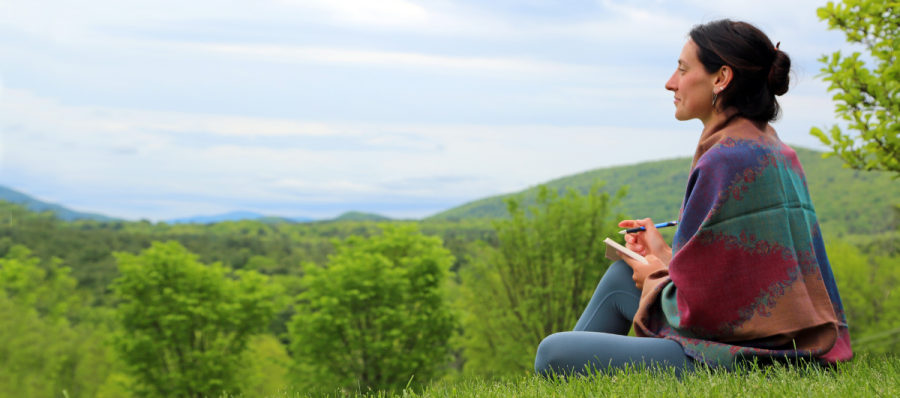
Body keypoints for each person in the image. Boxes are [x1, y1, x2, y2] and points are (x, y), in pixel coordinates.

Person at [534, 19, 853, 376]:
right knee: (621, 276)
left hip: (752, 358)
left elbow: (706, 315)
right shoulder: (774, 149)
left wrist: (656, 273)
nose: (671, 82)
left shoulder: (726, 158)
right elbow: (745, 278)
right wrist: (666, 256)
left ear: (721, 78)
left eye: (683, 69)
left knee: (554, 353)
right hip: (780, 342)